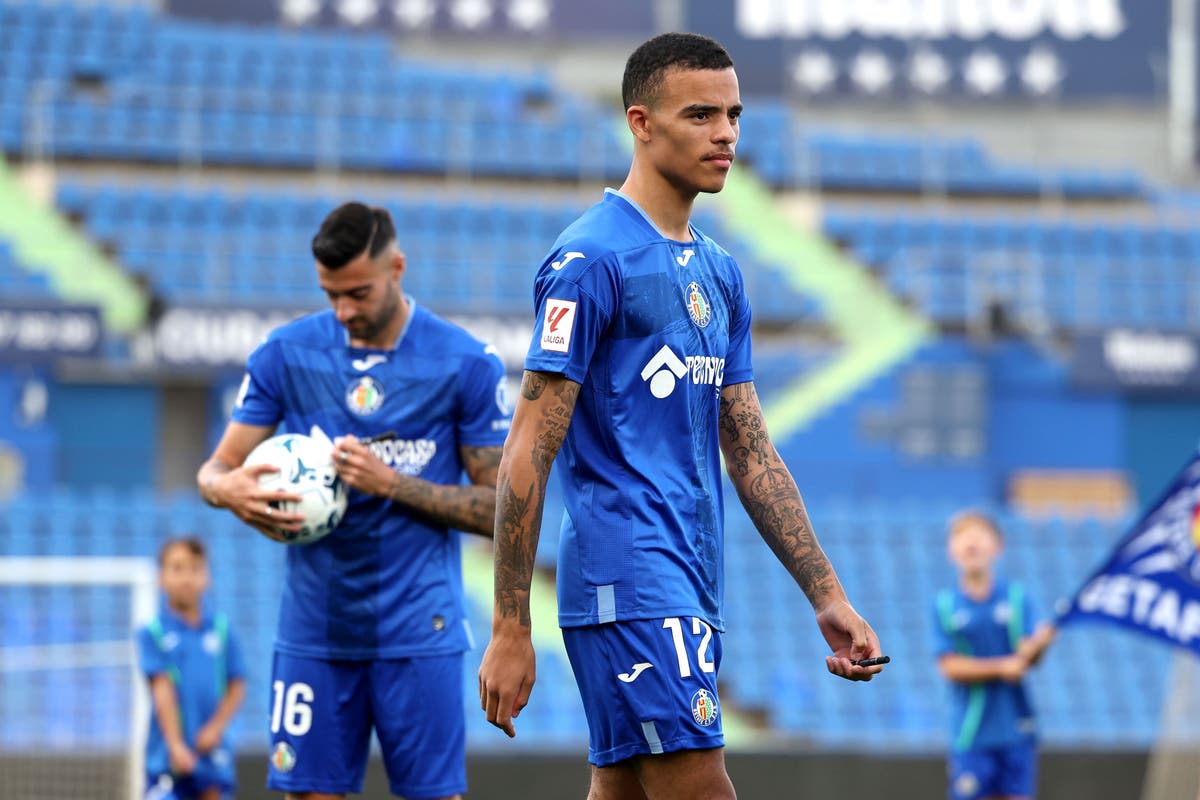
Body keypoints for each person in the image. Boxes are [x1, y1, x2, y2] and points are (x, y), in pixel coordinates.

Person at [477, 32, 885, 800]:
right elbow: (528, 448)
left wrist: (826, 593)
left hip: (689, 578)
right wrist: (509, 626)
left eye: (733, 114)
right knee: (701, 788)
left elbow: (751, 449)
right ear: (641, 122)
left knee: (625, 790)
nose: (725, 132)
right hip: (628, 576)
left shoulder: (720, 274)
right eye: (700, 114)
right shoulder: (590, 261)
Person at [196, 202, 511, 800]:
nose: (343, 311)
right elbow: (215, 468)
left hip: (420, 629)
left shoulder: (465, 362)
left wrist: (391, 484)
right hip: (315, 630)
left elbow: (501, 513)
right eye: (330, 295)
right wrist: (225, 489)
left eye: (358, 294)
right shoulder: (285, 354)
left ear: (397, 267)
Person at [933, 510, 1056, 800]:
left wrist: (1043, 642)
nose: (971, 543)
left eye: (979, 536)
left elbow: (1029, 656)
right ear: (951, 550)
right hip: (972, 730)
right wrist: (1003, 667)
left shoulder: (1017, 597)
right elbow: (949, 666)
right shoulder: (945, 605)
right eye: (963, 537)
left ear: (998, 547)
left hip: (1016, 727)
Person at [137, 536, 247, 800]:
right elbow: (162, 690)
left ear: (207, 577)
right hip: (168, 756)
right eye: (177, 568)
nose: (187, 577)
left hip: (212, 753)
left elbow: (237, 683)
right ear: (161, 577)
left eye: (195, 568)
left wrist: (216, 727)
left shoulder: (221, 629)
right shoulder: (153, 632)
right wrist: (175, 745)